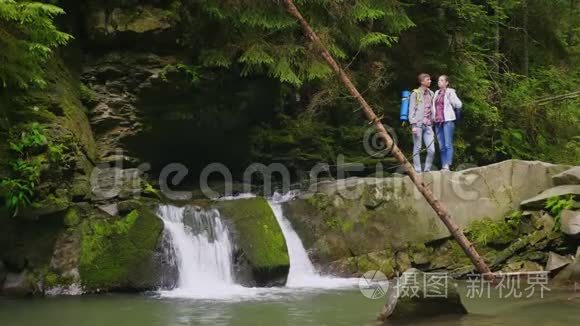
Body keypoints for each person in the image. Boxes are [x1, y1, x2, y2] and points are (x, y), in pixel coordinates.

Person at [432, 75, 462, 171]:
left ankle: (447, 165)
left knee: (448, 144)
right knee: (441, 145)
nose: (439, 82)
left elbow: (459, 104)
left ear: (446, 82)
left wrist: (451, 98)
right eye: (438, 80)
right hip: (438, 121)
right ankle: (443, 165)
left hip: (448, 120)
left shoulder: (450, 92)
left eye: (441, 80)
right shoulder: (436, 93)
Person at [408, 73, 435, 172]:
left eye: (430, 79)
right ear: (422, 82)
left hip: (428, 125)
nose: (430, 81)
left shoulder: (431, 93)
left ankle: (427, 170)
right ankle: (418, 171)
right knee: (417, 148)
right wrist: (413, 125)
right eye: (428, 79)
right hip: (418, 125)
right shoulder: (415, 93)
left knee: (431, 150)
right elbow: (411, 110)